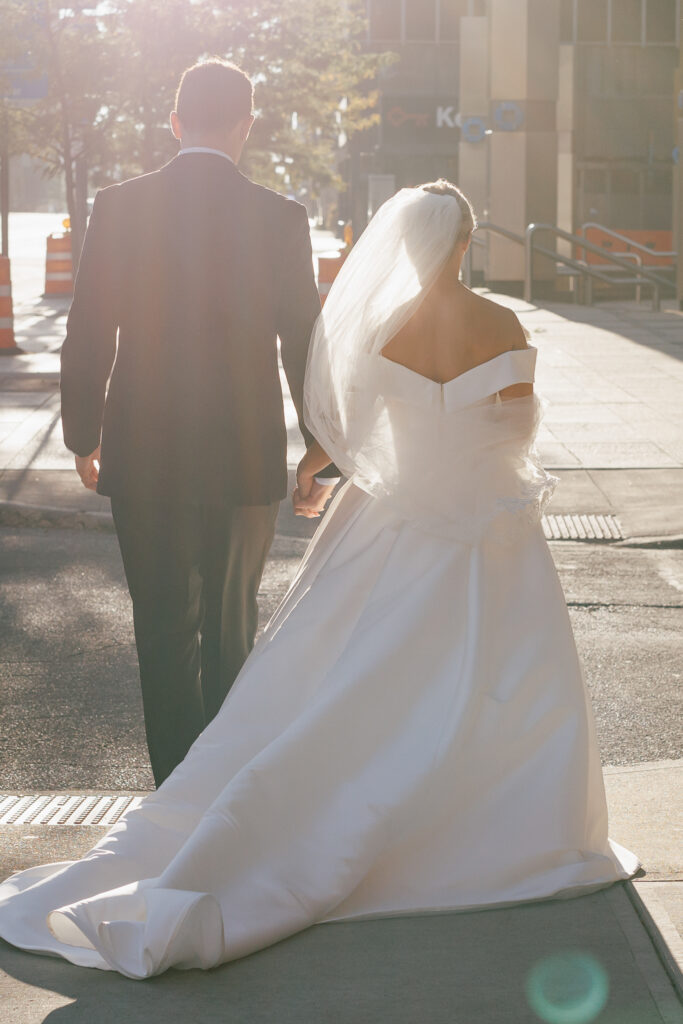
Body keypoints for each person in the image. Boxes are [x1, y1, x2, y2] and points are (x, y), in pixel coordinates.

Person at [0, 181, 639, 979]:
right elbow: (512, 418)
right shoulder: (501, 322)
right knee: (494, 677)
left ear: (398, 248)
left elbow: (349, 428)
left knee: (337, 671)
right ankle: (493, 823)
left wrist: (313, 470)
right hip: (485, 523)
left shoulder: (382, 324)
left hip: (386, 520)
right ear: (466, 243)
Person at [59, 59, 339, 788]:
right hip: (242, 454)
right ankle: (222, 796)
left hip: (143, 452)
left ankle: (173, 795)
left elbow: (88, 327)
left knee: (160, 628)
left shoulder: (120, 207)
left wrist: (82, 435)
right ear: (245, 126)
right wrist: (320, 450)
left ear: (175, 123)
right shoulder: (280, 217)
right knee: (229, 627)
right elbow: (303, 339)